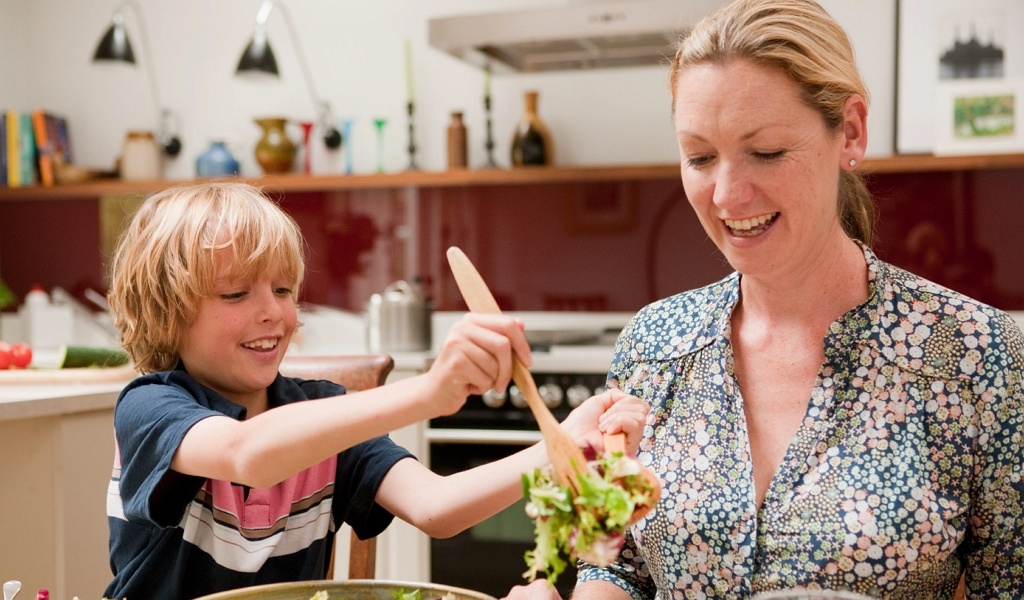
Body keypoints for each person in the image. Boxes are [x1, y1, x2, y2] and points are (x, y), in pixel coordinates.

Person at [505, 1, 1024, 598]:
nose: (727, 194)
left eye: (768, 152)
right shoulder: (656, 343)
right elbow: (620, 566)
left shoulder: (976, 356)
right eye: (699, 157)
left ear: (850, 131)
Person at [102, 181, 649, 600]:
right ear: (166, 312)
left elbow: (437, 507)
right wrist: (430, 392)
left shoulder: (324, 412)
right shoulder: (151, 406)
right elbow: (247, 453)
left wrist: (563, 449)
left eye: (284, 288)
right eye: (236, 293)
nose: (273, 312)